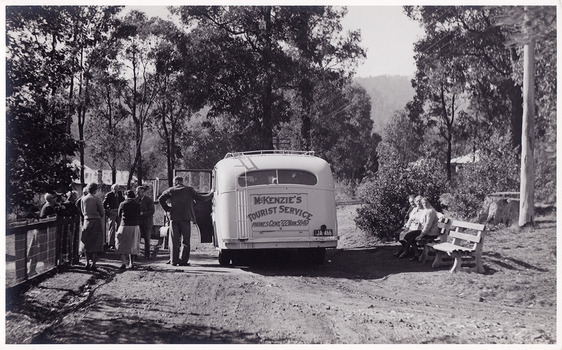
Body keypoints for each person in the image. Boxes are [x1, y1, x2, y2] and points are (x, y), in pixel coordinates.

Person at [158, 176, 213, 266]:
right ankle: (183, 261)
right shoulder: (189, 190)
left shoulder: (171, 190)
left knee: (174, 240)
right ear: (182, 181)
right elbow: (201, 198)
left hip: (174, 218)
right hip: (186, 218)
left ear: (175, 182)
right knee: (186, 241)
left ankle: (173, 260)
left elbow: (160, 199)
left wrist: (168, 209)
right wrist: (211, 194)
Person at [403, 196, 440, 261]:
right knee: (408, 236)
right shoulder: (426, 210)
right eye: (423, 203)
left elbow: (428, 225)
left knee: (410, 236)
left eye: (426, 203)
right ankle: (417, 253)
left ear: (429, 203)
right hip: (425, 231)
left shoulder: (431, 211)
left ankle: (417, 254)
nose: (424, 204)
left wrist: (421, 235)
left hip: (431, 233)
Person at [79, 183, 105, 271]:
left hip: (86, 221)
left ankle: (86, 262)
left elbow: (83, 212)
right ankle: (93, 263)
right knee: (96, 242)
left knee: (87, 241)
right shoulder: (97, 199)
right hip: (96, 221)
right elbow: (102, 212)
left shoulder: (83, 199)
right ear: (95, 190)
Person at [116, 190, 141, 269]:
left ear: (126, 196)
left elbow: (119, 214)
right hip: (135, 225)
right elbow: (139, 214)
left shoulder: (122, 204)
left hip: (125, 225)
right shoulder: (137, 204)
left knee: (121, 243)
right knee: (133, 244)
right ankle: (131, 262)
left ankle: (124, 262)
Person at [103, 184, 124, 250]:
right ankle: (111, 243)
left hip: (119, 212)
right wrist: (108, 211)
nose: (116, 190)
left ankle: (119, 242)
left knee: (120, 227)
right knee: (112, 227)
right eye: (115, 189)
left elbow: (123, 202)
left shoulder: (120, 194)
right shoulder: (109, 195)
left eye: (117, 189)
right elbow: (104, 204)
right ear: (112, 189)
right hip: (112, 211)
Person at [136, 185, 155, 259]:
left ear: (143, 192)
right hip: (138, 222)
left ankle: (147, 255)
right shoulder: (135, 200)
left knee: (147, 239)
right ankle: (135, 254)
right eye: (136, 192)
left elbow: (152, 211)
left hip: (147, 222)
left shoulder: (149, 200)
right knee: (137, 238)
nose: (137, 193)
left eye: (138, 192)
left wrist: (143, 213)